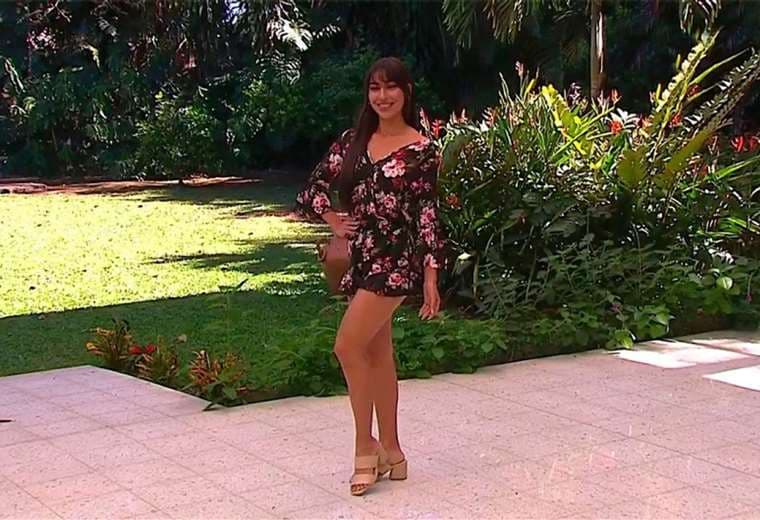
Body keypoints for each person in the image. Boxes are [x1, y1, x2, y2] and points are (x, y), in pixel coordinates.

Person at [295, 56, 446, 496]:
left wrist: (431, 274)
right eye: (374, 88)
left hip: (394, 260)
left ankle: (366, 447)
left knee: (347, 346)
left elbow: (428, 215)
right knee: (378, 353)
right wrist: (333, 220)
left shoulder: (422, 150)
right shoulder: (353, 141)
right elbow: (312, 188)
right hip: (360, 258)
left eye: (390, 87)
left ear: (406, 92)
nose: (382, 96)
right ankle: (394, 451)